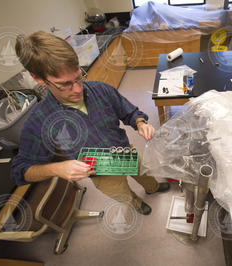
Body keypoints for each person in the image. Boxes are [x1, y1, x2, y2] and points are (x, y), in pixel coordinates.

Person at [11, 31, 169, 215]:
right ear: (39, 79)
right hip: (100, 172)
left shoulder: (101, 90)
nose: (78, 89)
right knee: (122, 192)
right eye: (65, 84)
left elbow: (130, 112)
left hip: (123, 152)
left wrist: (141, 123)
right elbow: (20, 171)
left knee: (144, 173)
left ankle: (152, 187)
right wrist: (57, 168)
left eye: (79, 77)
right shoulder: (39, 121)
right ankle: (136, 203)